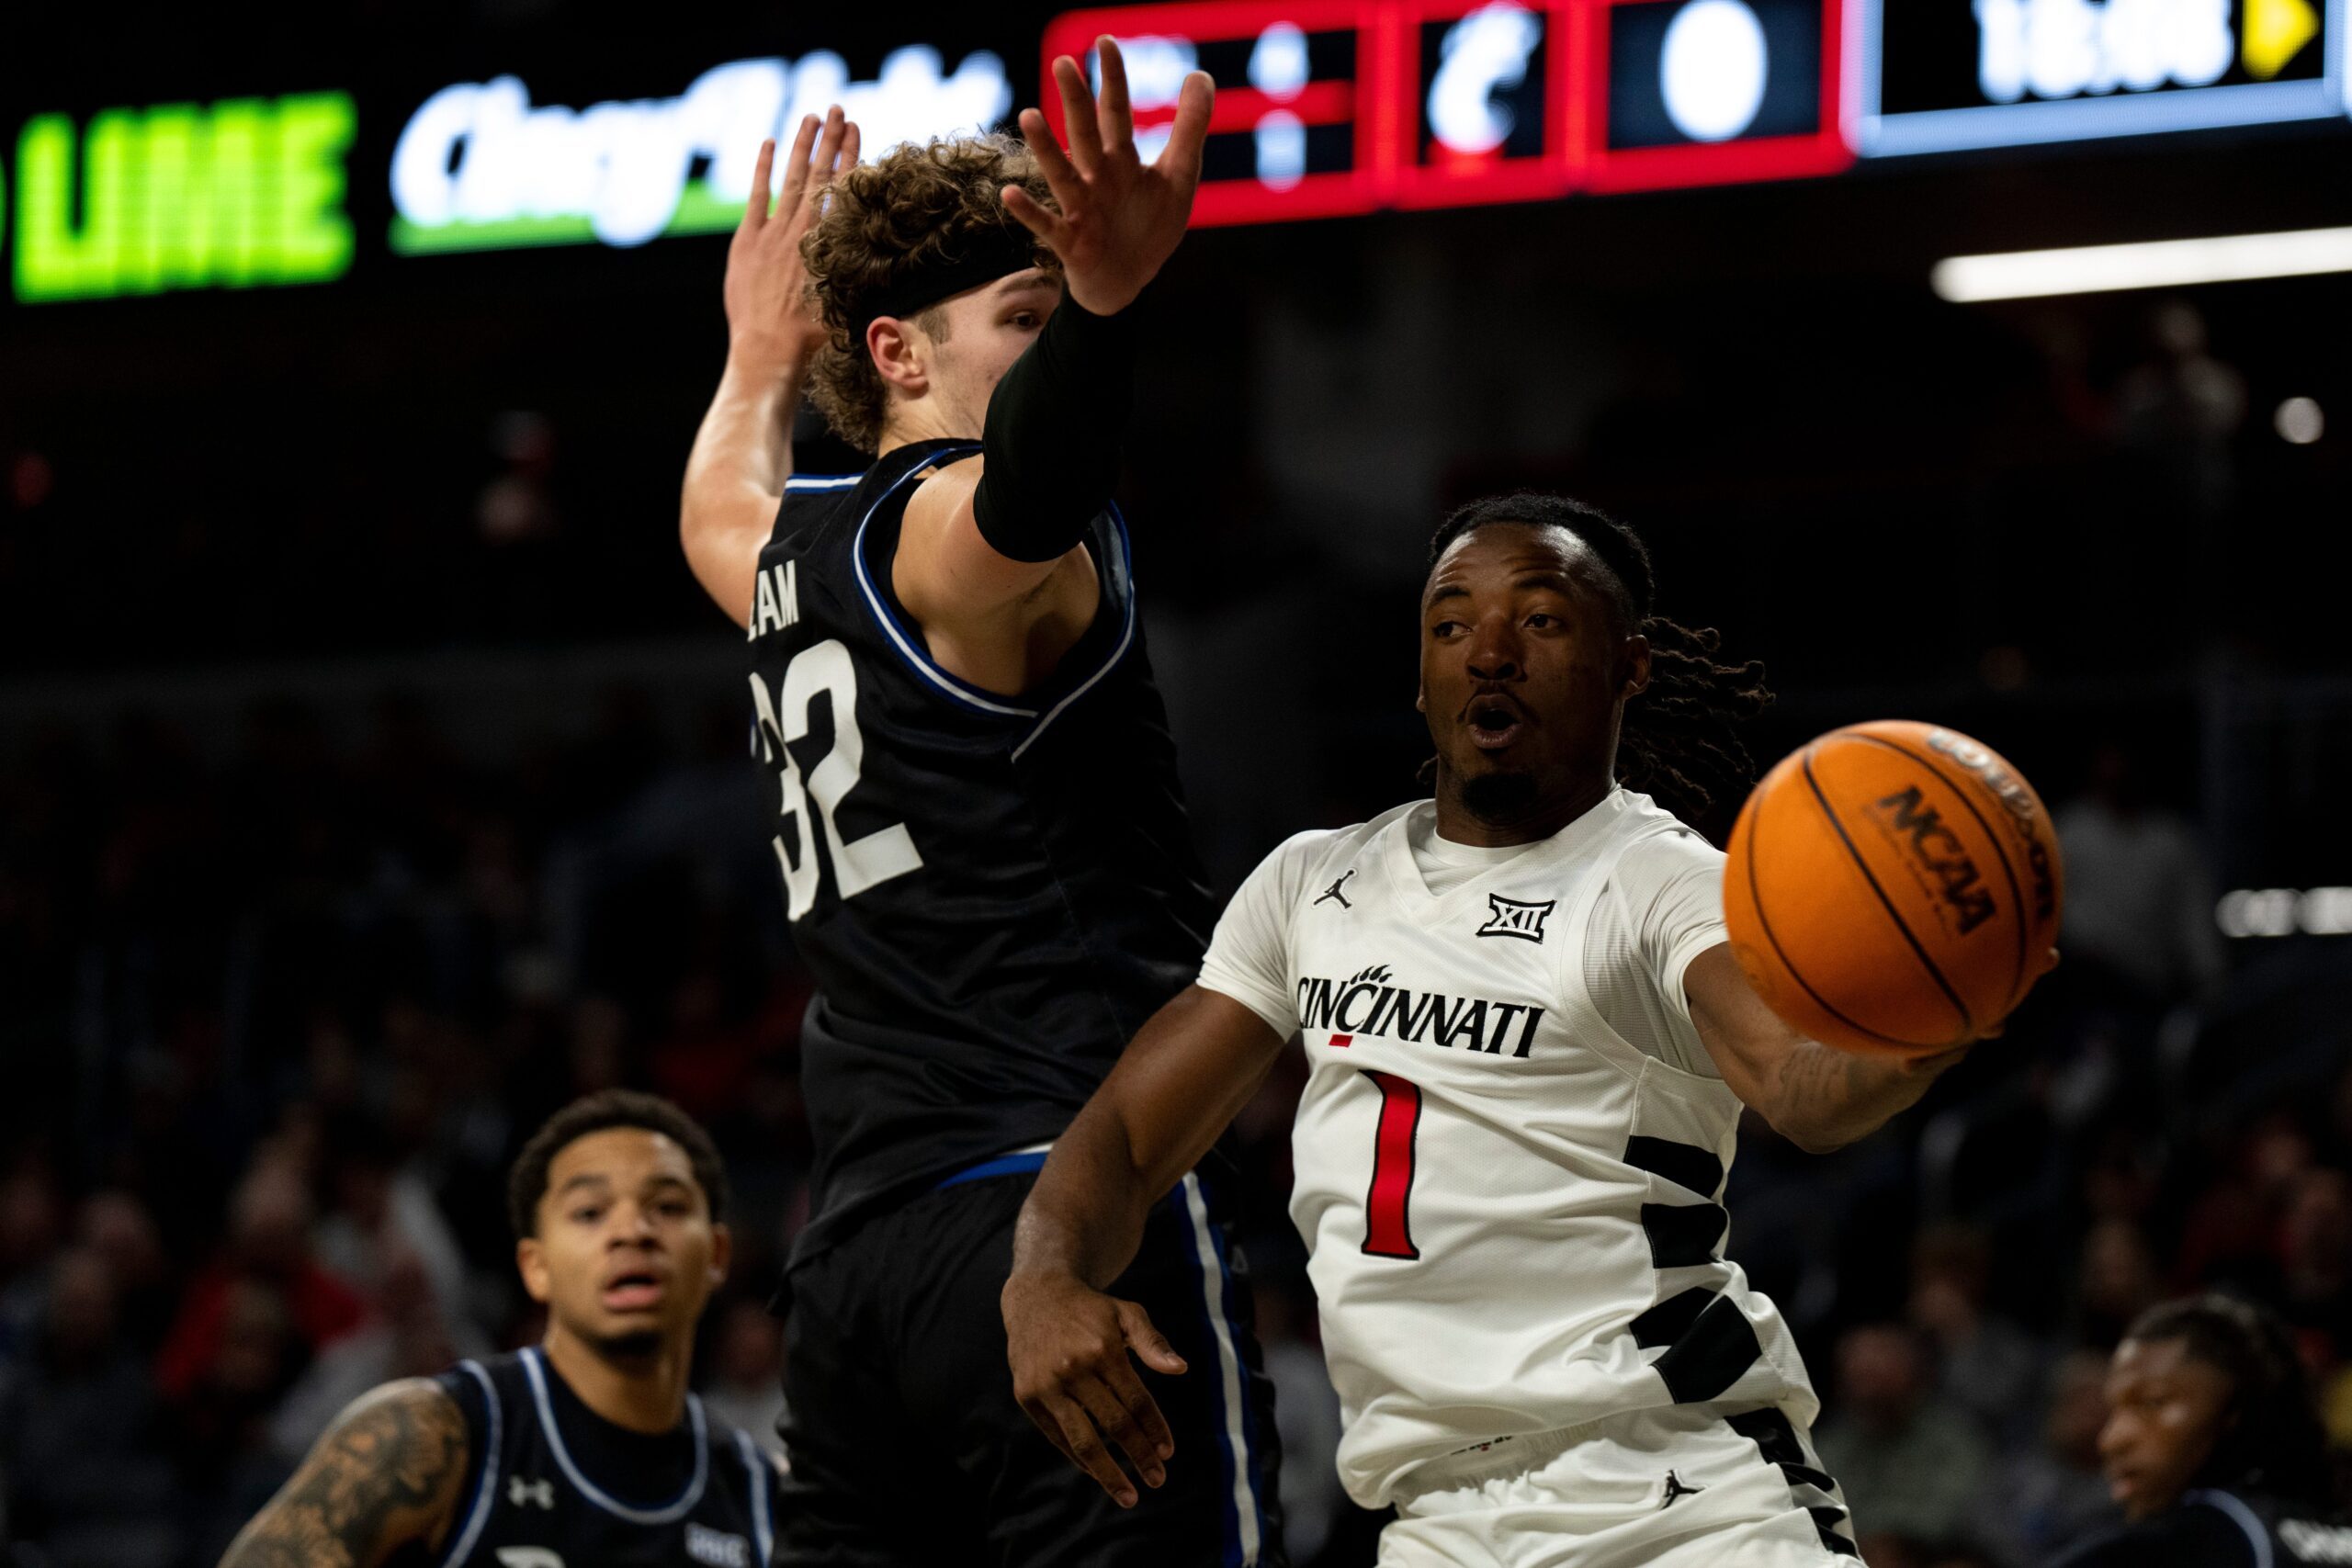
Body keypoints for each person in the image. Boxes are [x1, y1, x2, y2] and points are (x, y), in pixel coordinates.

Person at [1004, 494, 2060, 1565]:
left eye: (1542, 620)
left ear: (1629, 668)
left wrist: (1928, 1032)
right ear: (1420, 675)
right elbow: (1130, 1140)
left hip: (1675, 1491)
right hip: (1437, 1521)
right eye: (1451, 624)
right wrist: (1043, 1273)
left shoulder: (1658, 882)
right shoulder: (1309, 882)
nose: (1491, 651)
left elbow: (1797, 1083)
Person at [677, 41, 1286, 1568]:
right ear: (895, 353)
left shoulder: (780, 562)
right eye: (1011, 314)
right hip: (1055, 1213)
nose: (1041, 330)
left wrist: (755, 363)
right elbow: (1031, 482)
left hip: (858, 1273)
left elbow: (714, 498)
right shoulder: (972, 545)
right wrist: (1104, 306)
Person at [216, 1091, 777, 1567]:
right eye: (589, 1212)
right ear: (535, 1265)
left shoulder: (764, 1501)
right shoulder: (432, 1435)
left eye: (668, 1206)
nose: (632, 1230)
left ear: (717, 1256)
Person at [2054, 1294, 2348, 1567]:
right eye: (2115, 1411)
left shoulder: (2202, 1539)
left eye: (2153, 1403)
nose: (2111, 1440)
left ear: (2235, 1412)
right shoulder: (2331, 1531)